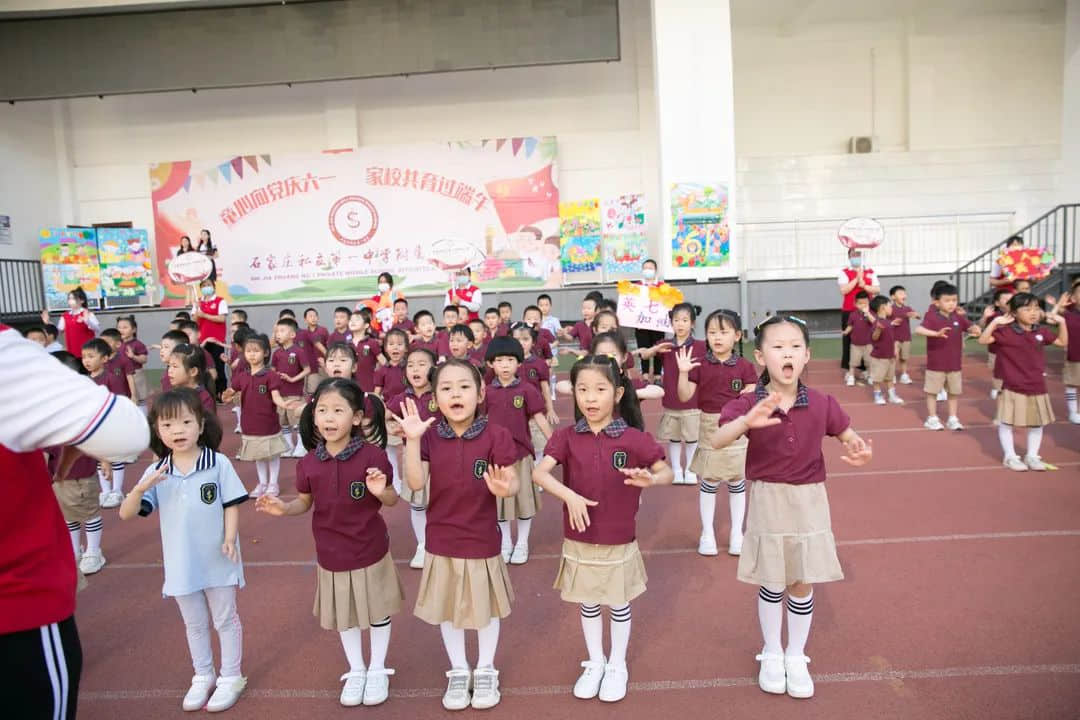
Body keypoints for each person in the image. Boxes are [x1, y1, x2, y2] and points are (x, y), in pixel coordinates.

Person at [711, 315, 872, 700]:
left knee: (801, 581)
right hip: (768, 497)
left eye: (795, 346)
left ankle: (796, 655)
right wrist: (746, 421)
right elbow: (717, 439)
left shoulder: (821, 402)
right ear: (760, 357)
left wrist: (859, 448)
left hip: (810, 500)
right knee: (771, 579)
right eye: (778, 346)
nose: (787, 352)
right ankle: (772, 652)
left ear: (807, 356)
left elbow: (848, 436)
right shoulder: (749, 402)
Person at [0, 326, 147, 720]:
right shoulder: (6, 354)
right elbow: (127, 430)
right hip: (16, 613)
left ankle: (93, 551)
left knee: (85, 515)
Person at [532, 354, 673, 703]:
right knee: (589, 602)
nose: (590, 398)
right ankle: (595, 661)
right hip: (579, 535)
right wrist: (570, 497)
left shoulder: (633, 438)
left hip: (617, 535)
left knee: (618, 602)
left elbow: (666, 472)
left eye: (599, 389)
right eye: (582, 389)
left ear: (618, 392)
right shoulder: (566, 436)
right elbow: (539, 473)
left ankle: (617, 664)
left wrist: (650, 480)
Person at [257, 378, 403, 707]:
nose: (329, 418)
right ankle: (356, 669)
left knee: (377, 611)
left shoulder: (374, 455)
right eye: (322, 410)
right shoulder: (309, 462)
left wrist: (383, 492)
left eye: (338, 410)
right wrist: (284, 508)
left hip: (370, 548)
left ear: (357, 417)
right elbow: (304, 503)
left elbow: (392, 500)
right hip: (331, 552)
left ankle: (378, 668)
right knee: (346, 614)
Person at [397, 360, 518, 711]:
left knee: (486, 609)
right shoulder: (430, 436)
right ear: (435, 397)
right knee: (449, 609)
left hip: (482, 538)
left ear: (480, 393)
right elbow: (416, 484)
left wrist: (504, 487)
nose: (455, 393)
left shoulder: (497, 435)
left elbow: (511, 482)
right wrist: (412, 439)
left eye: (464, 386)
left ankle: (485, 667)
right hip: (441, 539)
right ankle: (458, 669)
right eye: (446, 388)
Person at [119, 389, 247, 713]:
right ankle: (203, 674)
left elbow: (231, 504)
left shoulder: (218, 463)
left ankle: (231, 675)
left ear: (201, 425)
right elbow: (126, 513)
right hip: (181, 563)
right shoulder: (157, 472)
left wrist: (230, 538)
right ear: (157, 431)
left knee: (225, 618)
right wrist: (140, 488)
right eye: (168, 425)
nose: (178, 431)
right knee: (194, 623)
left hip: (219, 558)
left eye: (186, 422)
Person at [675, 309, 757, 557]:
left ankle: (736, 534)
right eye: (712, 332)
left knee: (736, 481)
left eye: (723, 332)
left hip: (737, 429)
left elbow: (752, 393)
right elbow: (684, 395)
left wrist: (742, 406)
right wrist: (682, 372)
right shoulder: (699, 366)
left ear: (737, 336)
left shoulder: (745, 367)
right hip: (708, 427)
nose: (717, 337)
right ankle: (707, 533)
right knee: (709, 481)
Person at [979, 292, 1068, 471]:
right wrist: (995, 322)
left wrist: (1062, 322)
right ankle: (1010, 456)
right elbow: (983, 340)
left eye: (1036, 308)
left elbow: (1061, 341)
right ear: (1013, 312)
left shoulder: (1040, 331)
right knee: (1007, 421)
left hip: (1037, 385)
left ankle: (1032, 456)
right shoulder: (1005, 331)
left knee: (1037, 423)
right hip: (1013, 386)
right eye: (1027, 309)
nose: (1033, 313)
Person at [484, 336, 552, 565]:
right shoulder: (484, 392)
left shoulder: (527, 390)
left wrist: (554, 443)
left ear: (519, 363)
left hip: (521, 456)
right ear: (490, 363)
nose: (504, 365)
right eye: (499, 360)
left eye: (510, 360)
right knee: (499, 506)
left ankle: (521, 542)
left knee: (524, 503)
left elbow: (539, 418)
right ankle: (505, 542)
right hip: (494, 459)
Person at [220, 334, 303, 498]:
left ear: (265, 353)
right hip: (249, 424)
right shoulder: (242, 376)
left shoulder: (271, 376)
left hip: (268, 422)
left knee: (271, 454)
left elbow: (276, 396)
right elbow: (231, 391)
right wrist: (226, 395)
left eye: (256, 351)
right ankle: (262, 482)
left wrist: (284, 404)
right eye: (248, 351)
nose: (251, 354)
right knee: (259, 455)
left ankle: (273, 483)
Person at [384, 348, 440, 570]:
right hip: (414, 458)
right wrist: (393, 427)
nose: (415, 369)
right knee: (417, 502)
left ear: (433, 368)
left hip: (441, 456)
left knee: (441, 501)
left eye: (421, 364)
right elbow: (381, 416)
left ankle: (440, 542)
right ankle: (423, 544)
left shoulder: (439, 394)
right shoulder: (401, 398)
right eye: (411, 365)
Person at [637, 303, 705, 485]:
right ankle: (676, 469)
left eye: (684, 320)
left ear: (692, 323)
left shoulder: (700, 346)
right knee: (674, 438)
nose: (680, 324)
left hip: (693, 401)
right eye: (676, 320)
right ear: (671, 323)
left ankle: (691, 470)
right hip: (671, 401)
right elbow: (643, 355)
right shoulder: (665, 345)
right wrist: (655, 350)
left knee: (692, 439)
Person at [916, 283, 982, 430]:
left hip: (954, 364)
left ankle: (952, 417)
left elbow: (969, 326)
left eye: (954, 300)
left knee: (953, 393)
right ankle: (932, 418)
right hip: (936, 364)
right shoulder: (932, 317)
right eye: (947, 300)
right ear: (937, 302)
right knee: (932, 392)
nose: (951, 304)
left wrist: (975, 329)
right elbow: (919, 329)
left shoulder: (957, 317)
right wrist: (936, 334)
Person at [271, 318, 311, 458]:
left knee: (297, 420)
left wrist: (293, 379)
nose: (278, 334)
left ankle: (302, 445)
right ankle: (288, 446)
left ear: (292, 335)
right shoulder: (276, 353)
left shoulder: (298, 351)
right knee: (283, 421)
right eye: (277, 332)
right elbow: (273, 370)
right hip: (280, 394)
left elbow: (307, 369)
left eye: (282, 331)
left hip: (295, 393)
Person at [837, 248, 880, 377]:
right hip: (850, 310)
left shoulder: (870, 271)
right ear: (849, 256)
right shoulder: (844, 272)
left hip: (868, 310)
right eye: (853, 254)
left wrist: (864, 286)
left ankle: (866, 368)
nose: (856, 257)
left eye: (858, 254)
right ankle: (849, 369)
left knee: (867, 339)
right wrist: (856, 279)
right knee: (849, 339)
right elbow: (844, 290)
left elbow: (877, 289)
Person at [193, 278, 229, 397]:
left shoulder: (220, 301)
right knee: (204, 368)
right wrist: (198, 310)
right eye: (204, 286)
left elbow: (222, 318)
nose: (206, 287)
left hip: (217, 341)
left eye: (209, 285)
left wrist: (205, 315)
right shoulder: (198, 302)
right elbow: (194, 321)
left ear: (213, 287)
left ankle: (221, 393)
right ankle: (207, 393)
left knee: (218, 367)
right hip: (202, 341)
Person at [1050, 281, 1080, 424]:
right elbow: (1050, 319)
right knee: (1072, 385)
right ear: (1073, 299)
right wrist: (1059, 304)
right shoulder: (1068, 315)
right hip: (1074, 357)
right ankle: (1073, 413)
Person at [633, 259, 667, 384]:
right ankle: (645, 375)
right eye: (645, 268)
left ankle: (658, 375)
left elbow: (667, 303)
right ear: (642, 270)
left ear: (655, 270)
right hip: (641, 324)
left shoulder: (662, 287)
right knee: (643, 349)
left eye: (650, 268)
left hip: (658, 324)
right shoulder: (636, 286)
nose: (648, 270)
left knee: (658, 349)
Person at [42, 286, 99, 357]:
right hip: (72, 352)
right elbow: (58, 329)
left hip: (88, 352)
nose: (70, 301)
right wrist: (48, 322)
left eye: (73, 298)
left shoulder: (88, 314)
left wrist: (87, 321)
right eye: (69, 298)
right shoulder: (65, 316)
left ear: (82, 300)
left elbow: (97, 328)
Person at [868, 296, 904, 406]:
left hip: (890, 357)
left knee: (889, 378)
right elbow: (874, 337)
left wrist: (895, 350)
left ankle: (892, 395)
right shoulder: (877, 323)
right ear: (883, 307)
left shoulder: (888, 322)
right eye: (889, 305)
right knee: (877, 379)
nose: (891, 307)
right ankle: (877, 395)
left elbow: (890, 338)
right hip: (879, 357)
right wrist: (878, 330)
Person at [166, 343, 216, 415]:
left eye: (175, 366)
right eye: (169, 366)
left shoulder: (204, 399)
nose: (169, 370)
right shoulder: (173, 394)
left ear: (193, 371)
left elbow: (207, 424)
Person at [117, 315, 150, 411]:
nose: (121, 330)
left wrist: (133, 357)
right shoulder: (117, 344)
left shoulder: (137, 344)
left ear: (134, 330)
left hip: (136, 375)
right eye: (119, 327)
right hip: (123, 376)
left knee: (140, 399)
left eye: (125, 327)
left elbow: (144, 359)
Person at [841, 291, 874, 386]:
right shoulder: (853, 315)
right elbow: (850, 326)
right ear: (855, 304)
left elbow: (874, 322)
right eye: (860, 303)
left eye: (865, 303)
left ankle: (870, 375)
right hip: (855, 344)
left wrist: (867, 314)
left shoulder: (871, 314)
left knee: (869, 361)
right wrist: (846, 331)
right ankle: (851, 376)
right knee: (853, 362)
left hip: (868, 344)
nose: (863, 306)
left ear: (869, 303)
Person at [887, 286, 918, 385]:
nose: (903, 295)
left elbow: (917, 315)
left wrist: (915, 315)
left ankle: (904, 375)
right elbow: (885, 320)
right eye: (900, 293)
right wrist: (894, 321)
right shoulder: (890, 308)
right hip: (894, 338)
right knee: (894, 357)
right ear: (893, 297)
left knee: (904, 358)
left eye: (904, 293)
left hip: (906, 337)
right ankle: (891, 375)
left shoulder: (907, 308)